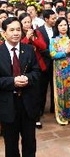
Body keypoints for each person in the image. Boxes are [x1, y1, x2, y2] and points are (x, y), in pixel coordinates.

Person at [0, 17, 40, 157]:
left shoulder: (29, 49)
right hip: (7, 105)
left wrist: (27, 78)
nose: (16, 33)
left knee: (30, 142)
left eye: (18, 29)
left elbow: (36, 72)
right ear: (4, 33)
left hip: (28, 104)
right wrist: (13, 82)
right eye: (11, 30)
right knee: (11, 144)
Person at [49, 17, 70, 125]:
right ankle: (63, 116)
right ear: (57, 27)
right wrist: (65, 52)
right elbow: (52, 54)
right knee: (61, 90)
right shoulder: (54, 40)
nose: (63, 27)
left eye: (65, 25)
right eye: (60, 25)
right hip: (60, 70)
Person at [19, 12, 47, 129]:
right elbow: (20, 47)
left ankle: (37, 117)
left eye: (29, 22)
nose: (27, 24)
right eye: (25, 22)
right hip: (23, 68)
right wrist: (27, 38)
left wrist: (33, 38)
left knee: (38, 92)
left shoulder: (37, 32)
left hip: (37, 66)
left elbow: (43, 46)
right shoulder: (18, 34)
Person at [36, 10, 57, 115]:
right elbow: (40, 48)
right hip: (44, 64)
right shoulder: (39, 31)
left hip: (56, 63)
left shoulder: (57, 29)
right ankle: (40, 110)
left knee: (55, 88)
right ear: (46, 19)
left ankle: (55, 109)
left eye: (55, 18)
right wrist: (52, 54)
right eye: (53, 19)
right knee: (42, 88)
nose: (55, 20)